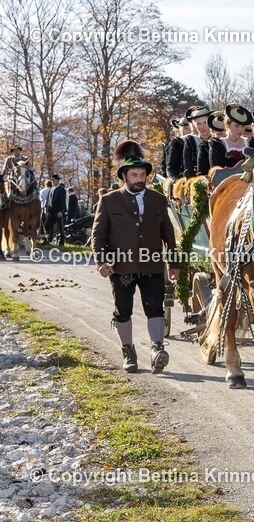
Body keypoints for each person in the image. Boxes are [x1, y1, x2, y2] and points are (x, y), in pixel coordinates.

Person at [92, 140, 180, 374]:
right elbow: (98, 235)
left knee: (155, 308)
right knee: (123, 311)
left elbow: (168, 235)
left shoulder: (158, 200)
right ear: (124, 176)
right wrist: (101, 261)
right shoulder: (109, 200)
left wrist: (174, 263)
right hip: (121, 267)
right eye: (134, 175)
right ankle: (128, 351)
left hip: (152, 265)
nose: (140, 179)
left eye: (142, 174)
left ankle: (157, 349)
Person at [207, 104, 252, 169]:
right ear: (227, 125)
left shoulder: (250, 143)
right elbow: (215, 171)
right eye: (237, 126)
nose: (240, 129)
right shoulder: (218, 145)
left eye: (243, 126)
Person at [182, 105, 213, 178]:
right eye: (198, 124)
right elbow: (188, 166)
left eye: (205, 122)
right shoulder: (191, 141)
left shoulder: (218, 140)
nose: (203, 126)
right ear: (194, 125)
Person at [44, 175, 67, 245]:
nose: (53, 181)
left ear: (57, 181)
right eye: (52, 180)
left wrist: (60, 211)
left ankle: (61, 242)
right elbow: (49, 201)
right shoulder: (52, 189)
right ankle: (46, 240)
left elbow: (62, 201)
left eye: (54, 180)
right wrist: (48, 211)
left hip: (58, 211)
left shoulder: (61, 189)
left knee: (60, 227)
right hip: (51, 211)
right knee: (47, 226)